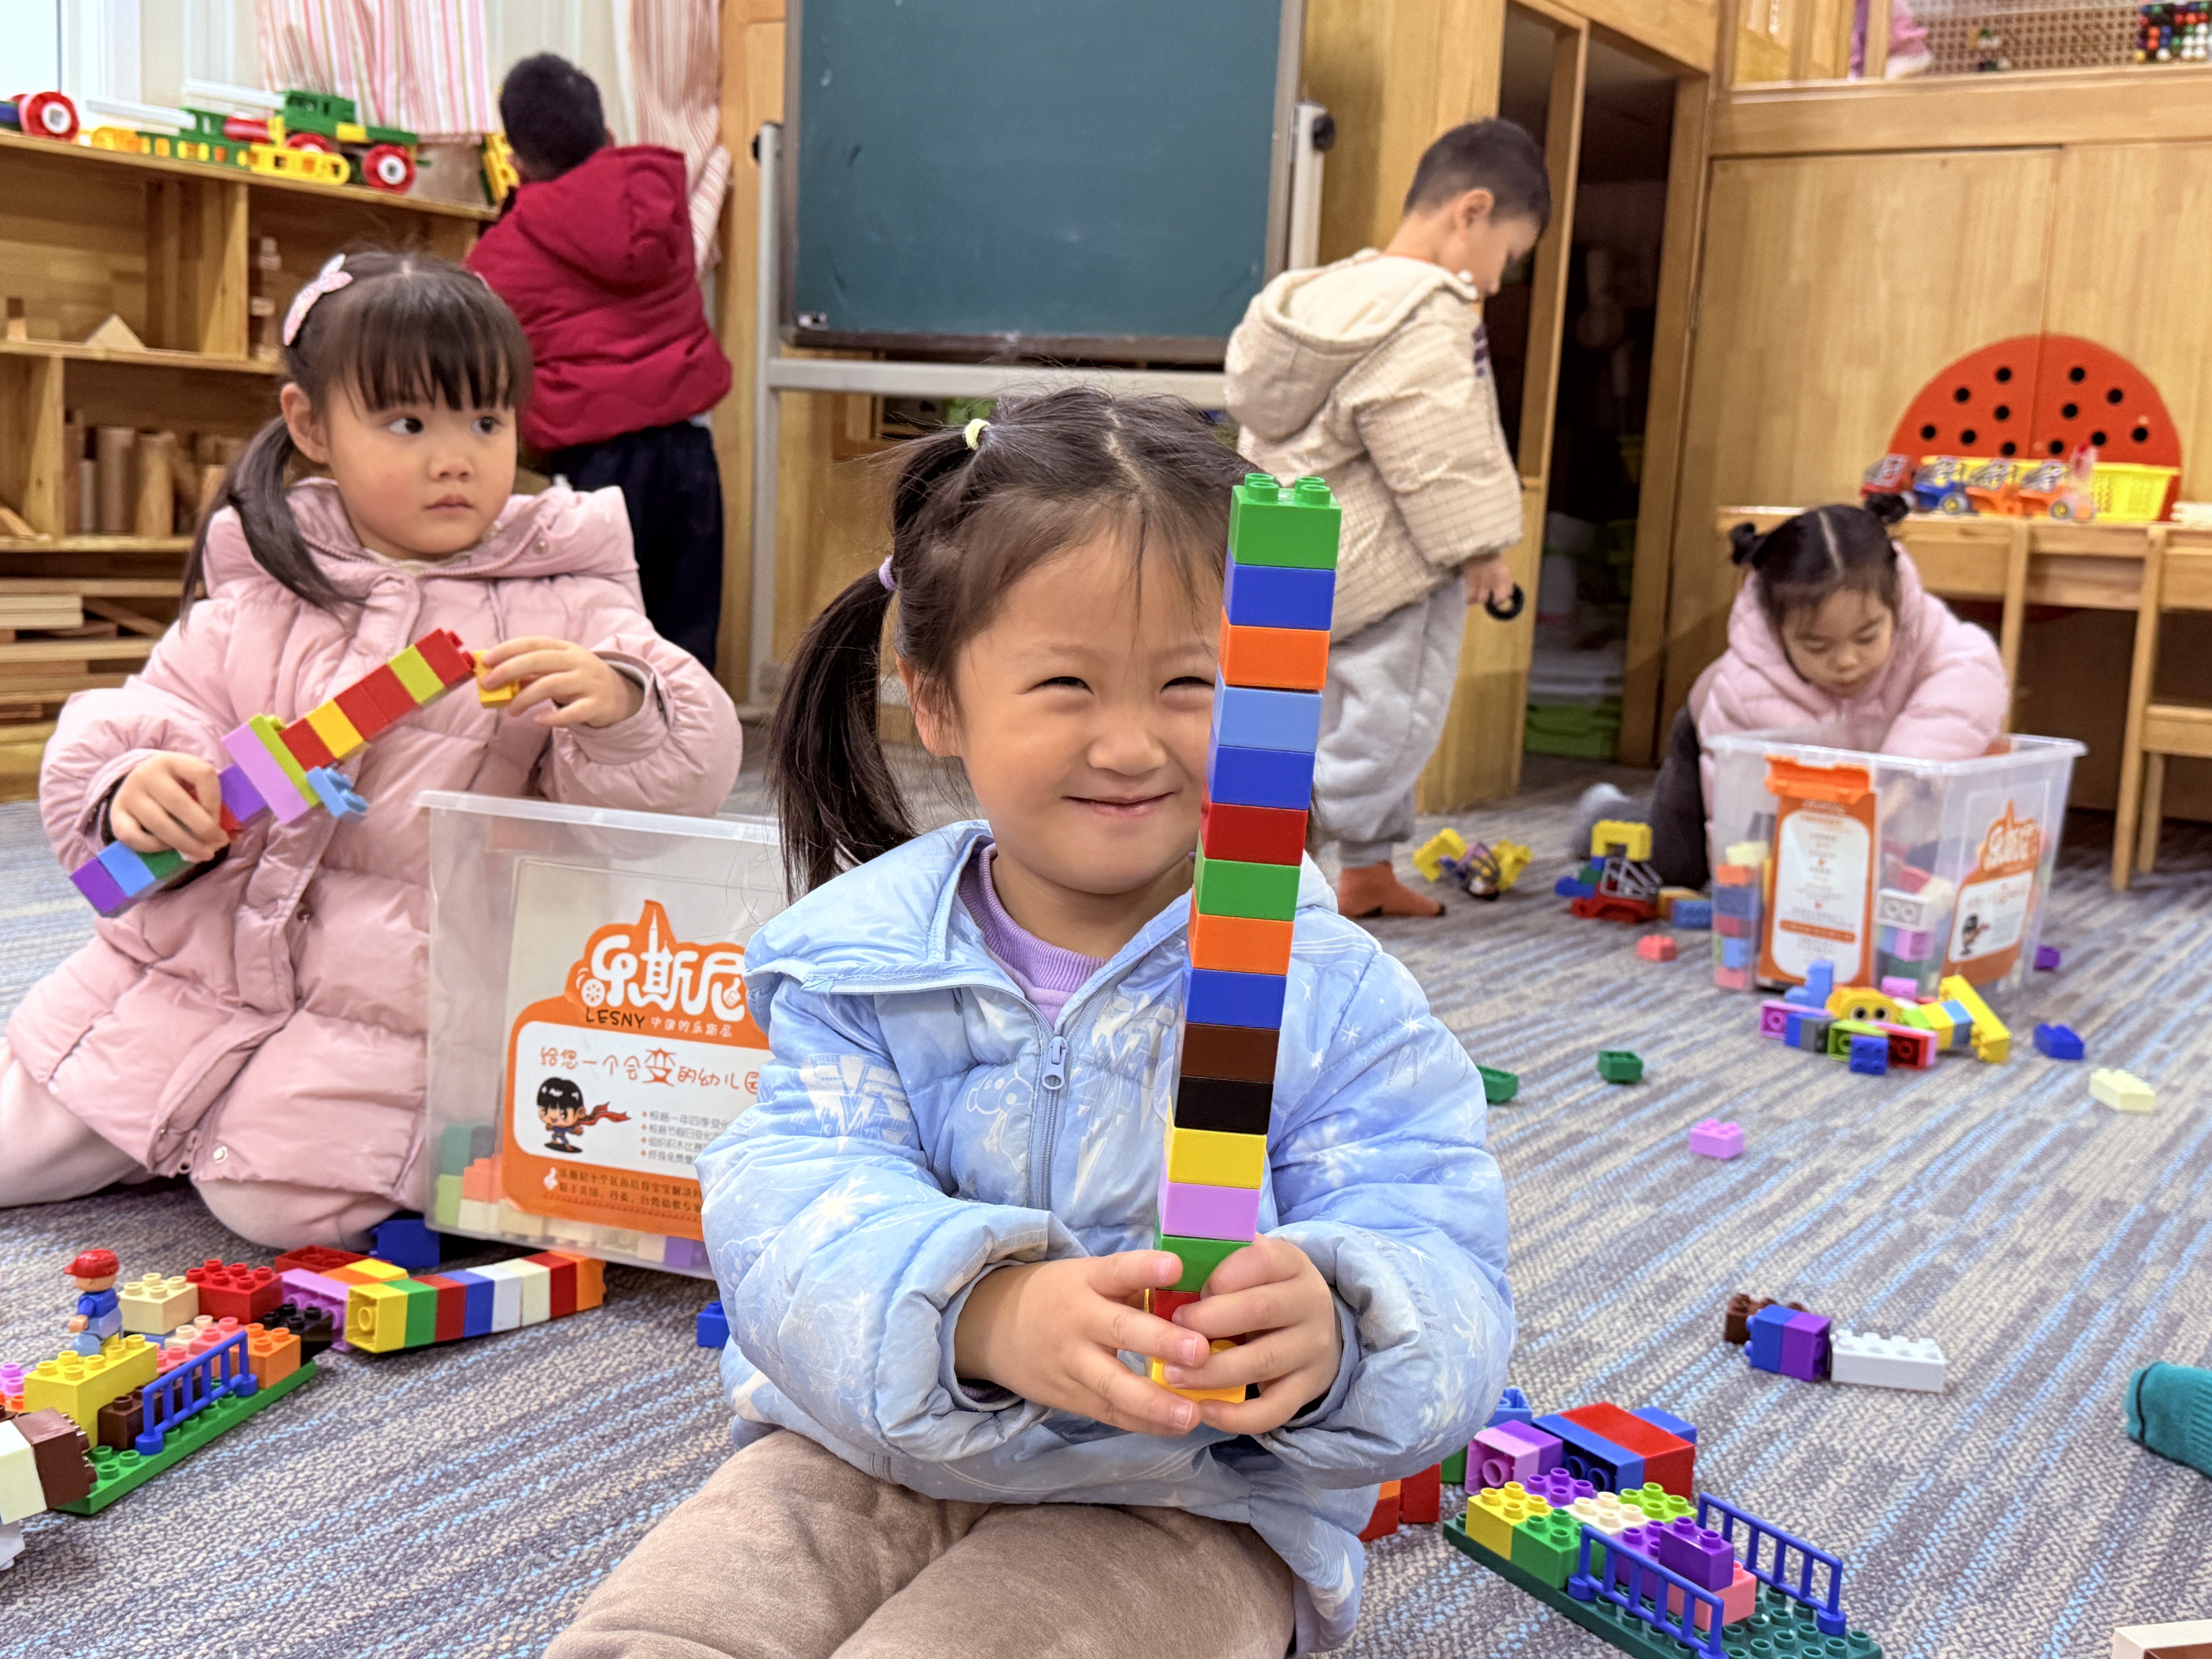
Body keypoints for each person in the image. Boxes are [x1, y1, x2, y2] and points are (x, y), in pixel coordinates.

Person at [547, 389, 1512, 1659]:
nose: (1130, 743)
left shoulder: (1328, 990)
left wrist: (1340, 1330)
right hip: (867, 1445)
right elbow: (788, 1212)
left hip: (1189, 1494)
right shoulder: (858, 965)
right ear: (936, 699)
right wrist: (984, 1314)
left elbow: (1442, 1249)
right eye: (1066, 683)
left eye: (1190, 682)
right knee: (669, 1627)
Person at [0, 250, 740, 1249]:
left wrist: (623, 707)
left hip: (400, 996)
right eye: (408, 424)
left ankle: (269, 1134)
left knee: (276, 1206)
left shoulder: (571, 595)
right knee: (26, 1130)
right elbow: (149, 711)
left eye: (486, 422)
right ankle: (176, 1118)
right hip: (193, 966)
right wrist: (130, 784)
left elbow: (677, 788)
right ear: (311, 427)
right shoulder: (265, 580)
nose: (456, 458)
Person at [1226, 118, 1549, 920]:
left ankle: (1366, 873)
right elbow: (1436, 445)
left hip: (1291, 556)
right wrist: (1479, 549)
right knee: (1391, 725)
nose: (1499, 280)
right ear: (1471, 212)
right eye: (1509, 255)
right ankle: (1285, 846)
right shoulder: (1427, 312)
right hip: (1389, 570)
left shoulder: (1320, 297)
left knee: (1311, 715)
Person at [1580, 494, 2009, 888]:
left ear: (1896, 602)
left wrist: (1905, 771)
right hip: (1713, 748)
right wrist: (1749, 886)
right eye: (1817, 646)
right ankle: (1605, 814)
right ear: (1775, 628)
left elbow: (1971, 679)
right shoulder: (1745, 687)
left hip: (1872, 775)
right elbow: (1736, 814)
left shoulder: (1926, 631)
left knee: (1905, 868)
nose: (1847, 661)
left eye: (1867, 637)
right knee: (1674, 867)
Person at [468, 52, 733, 670]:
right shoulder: (660, 206)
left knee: (596, 645)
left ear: (515, 159)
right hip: (690, 449)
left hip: (591, 466)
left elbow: (484, 363)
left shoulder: (500, 256)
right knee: (685, 646)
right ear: (608, 135)